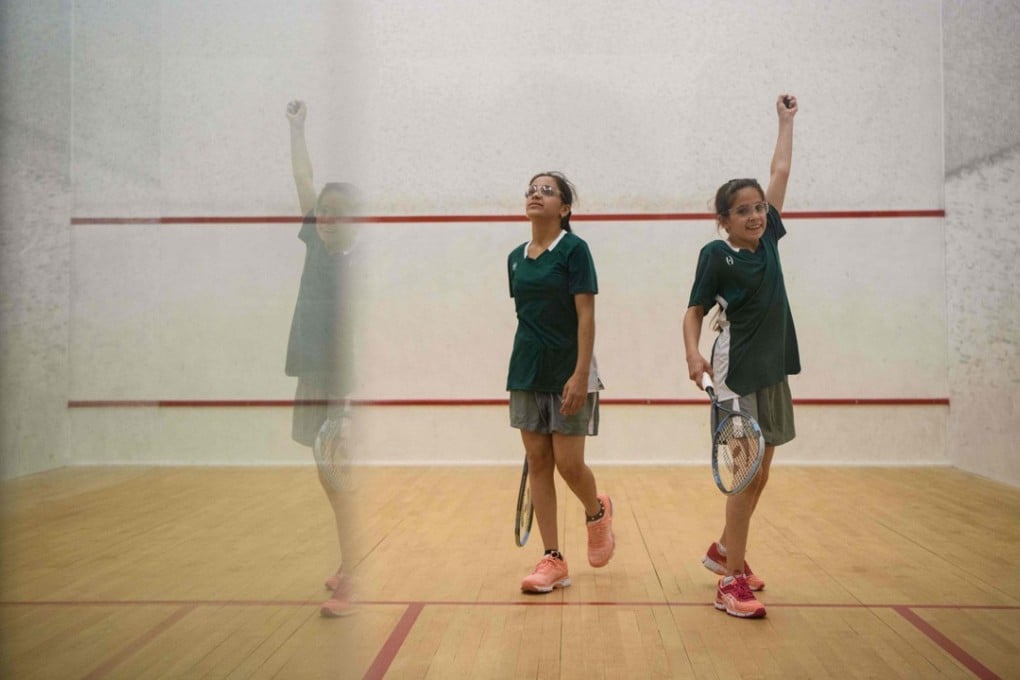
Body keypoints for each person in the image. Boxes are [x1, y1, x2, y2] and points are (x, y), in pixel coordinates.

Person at [682, 94, 799, 619]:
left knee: (762, 473)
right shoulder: (716, 255)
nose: (755, 214)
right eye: (743, 210)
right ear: (723, 220)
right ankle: (730, 582)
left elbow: (780, 168)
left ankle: (728, 550)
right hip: (734, 374)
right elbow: (692, 312)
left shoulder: (770, 239)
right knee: (744, 473)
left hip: (773, 370)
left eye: (758, 208)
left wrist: (785, 121)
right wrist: (692, 355)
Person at [507, 171, 614, 593]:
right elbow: (527, 317)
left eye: (547, 191)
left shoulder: (574, 250)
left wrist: (580, 373)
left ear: (565, 208)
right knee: (538, 462)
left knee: (569, 465)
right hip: (526, 371)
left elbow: (586, 316)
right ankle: (553, 558)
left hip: (571, 372)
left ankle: (597, 511)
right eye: (531, 189)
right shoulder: (516, 257)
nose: (536, 194)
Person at [285, 99, 359, 617]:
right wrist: (297, 129)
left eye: (339, 213)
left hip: (344, 384)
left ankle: (359, 572)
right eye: (324, 212)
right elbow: (304, 180)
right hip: (314, 375)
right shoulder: (316, 243)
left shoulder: (362, 266)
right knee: (327, 474)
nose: (327, 218)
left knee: (344, 477)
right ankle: (350, 559)